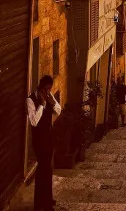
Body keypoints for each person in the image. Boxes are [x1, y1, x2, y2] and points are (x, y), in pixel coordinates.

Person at [26, 75, 61, 211]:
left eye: (49, 89)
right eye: (46, 89)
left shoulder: (48, 96)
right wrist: (41, 105)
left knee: (48, 169)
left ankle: (48, 198)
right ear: (40, 87)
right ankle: (40, 203)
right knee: (42, 169)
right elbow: (34, 121)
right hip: (39, 141)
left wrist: (52, 101)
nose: (48, 91)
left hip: (49, 138)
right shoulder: (30, 100)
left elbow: (58, 111)